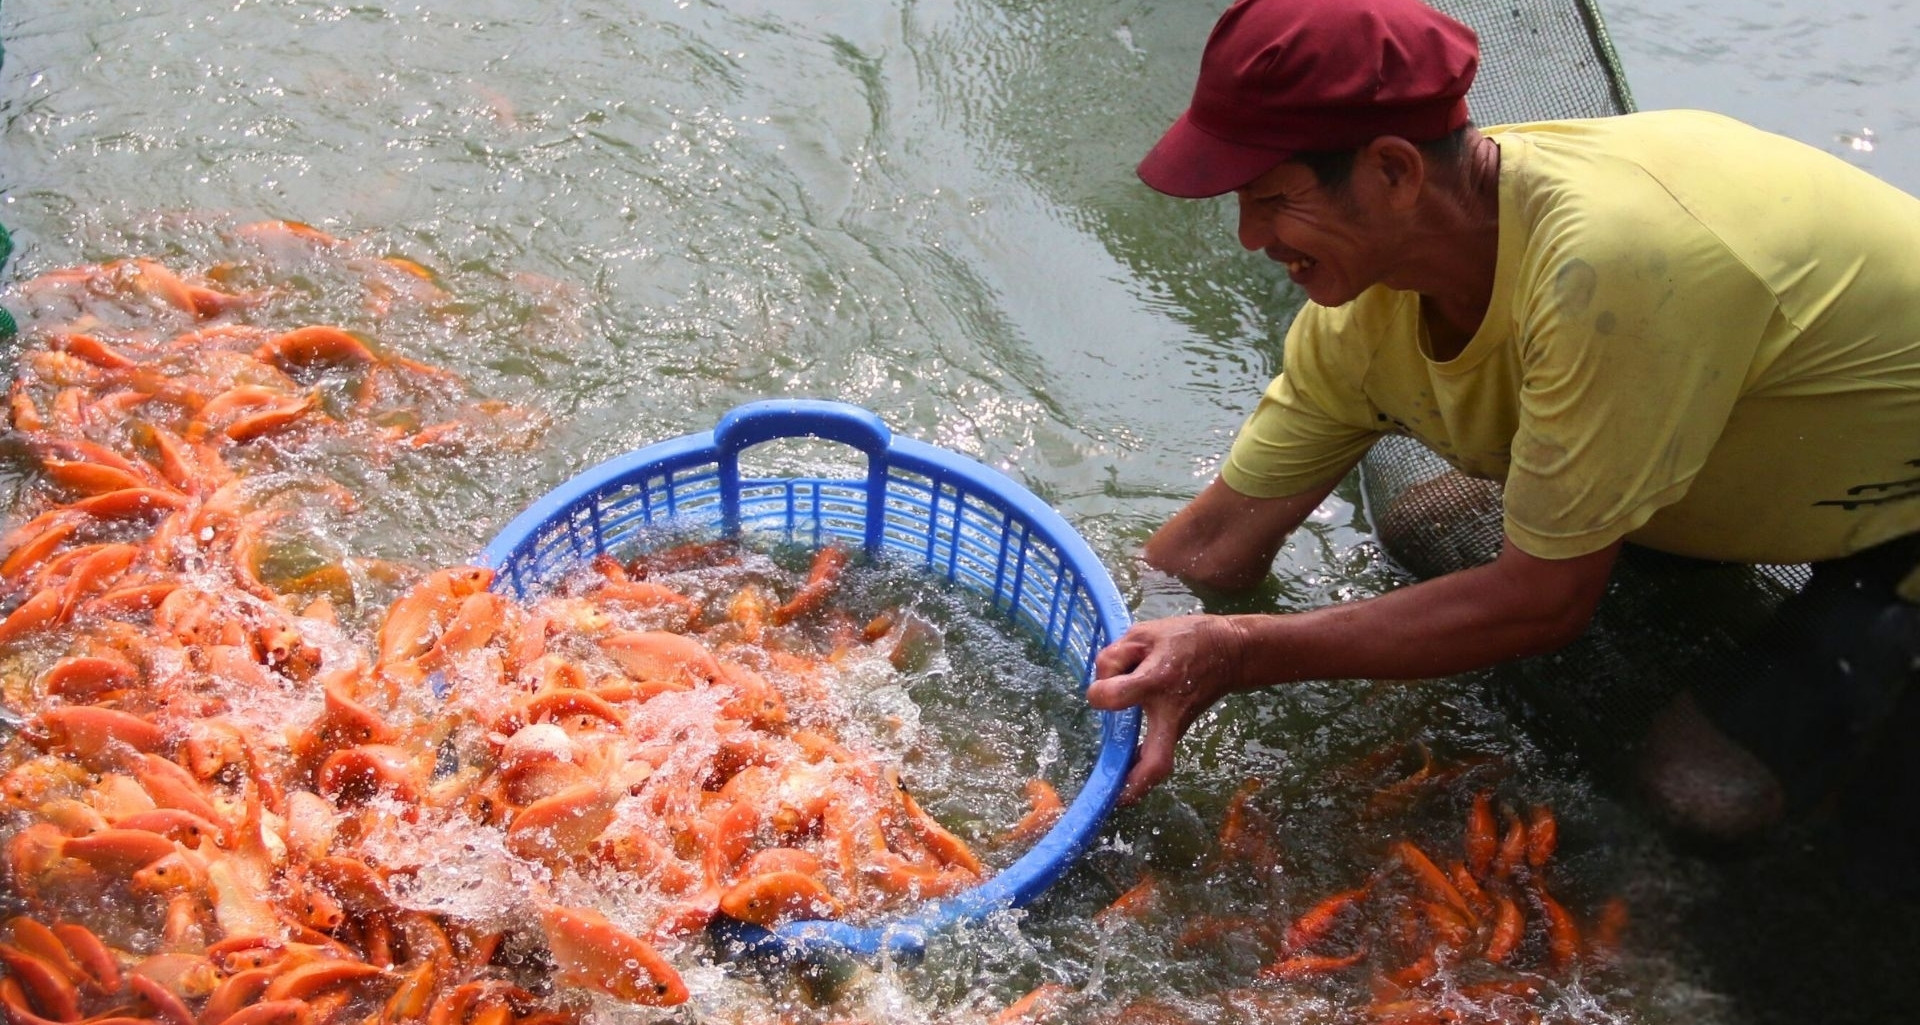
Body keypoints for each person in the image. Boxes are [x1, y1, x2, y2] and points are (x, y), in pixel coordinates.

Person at [1084, 0, 1920, 843]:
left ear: (1394, 171)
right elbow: (1211, 548)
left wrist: (1240, 651)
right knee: (1425, 526)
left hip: (1900, 510)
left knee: (1698, 794)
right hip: (1723, 429)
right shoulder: (1358, 313)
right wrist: (1109, 662)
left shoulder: (1614, 269)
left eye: (1272, 199)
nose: (1248, 235)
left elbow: (1544, 602)